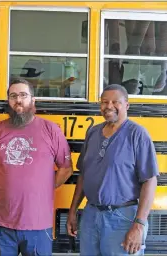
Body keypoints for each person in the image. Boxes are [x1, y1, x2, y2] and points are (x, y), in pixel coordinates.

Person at [0, 77, 73, 255]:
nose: (18, 100)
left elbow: (66, 169)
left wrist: (44, 187)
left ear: (33, 100)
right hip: (2, 224)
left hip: (39, 225)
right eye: (13, 96)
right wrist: (2, 181)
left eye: (23, 95)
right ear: (8, 101)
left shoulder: (51, 130)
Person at [66, 84, 159, 255]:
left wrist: (139, 225)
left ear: (127, 105)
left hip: (122, 218)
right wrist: (72, 212)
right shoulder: (93, 133)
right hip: (91, 215)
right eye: (104, 102)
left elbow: (150, 180)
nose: (109, 106)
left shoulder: (137, 134)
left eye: (115, 102)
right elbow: (84, 175)